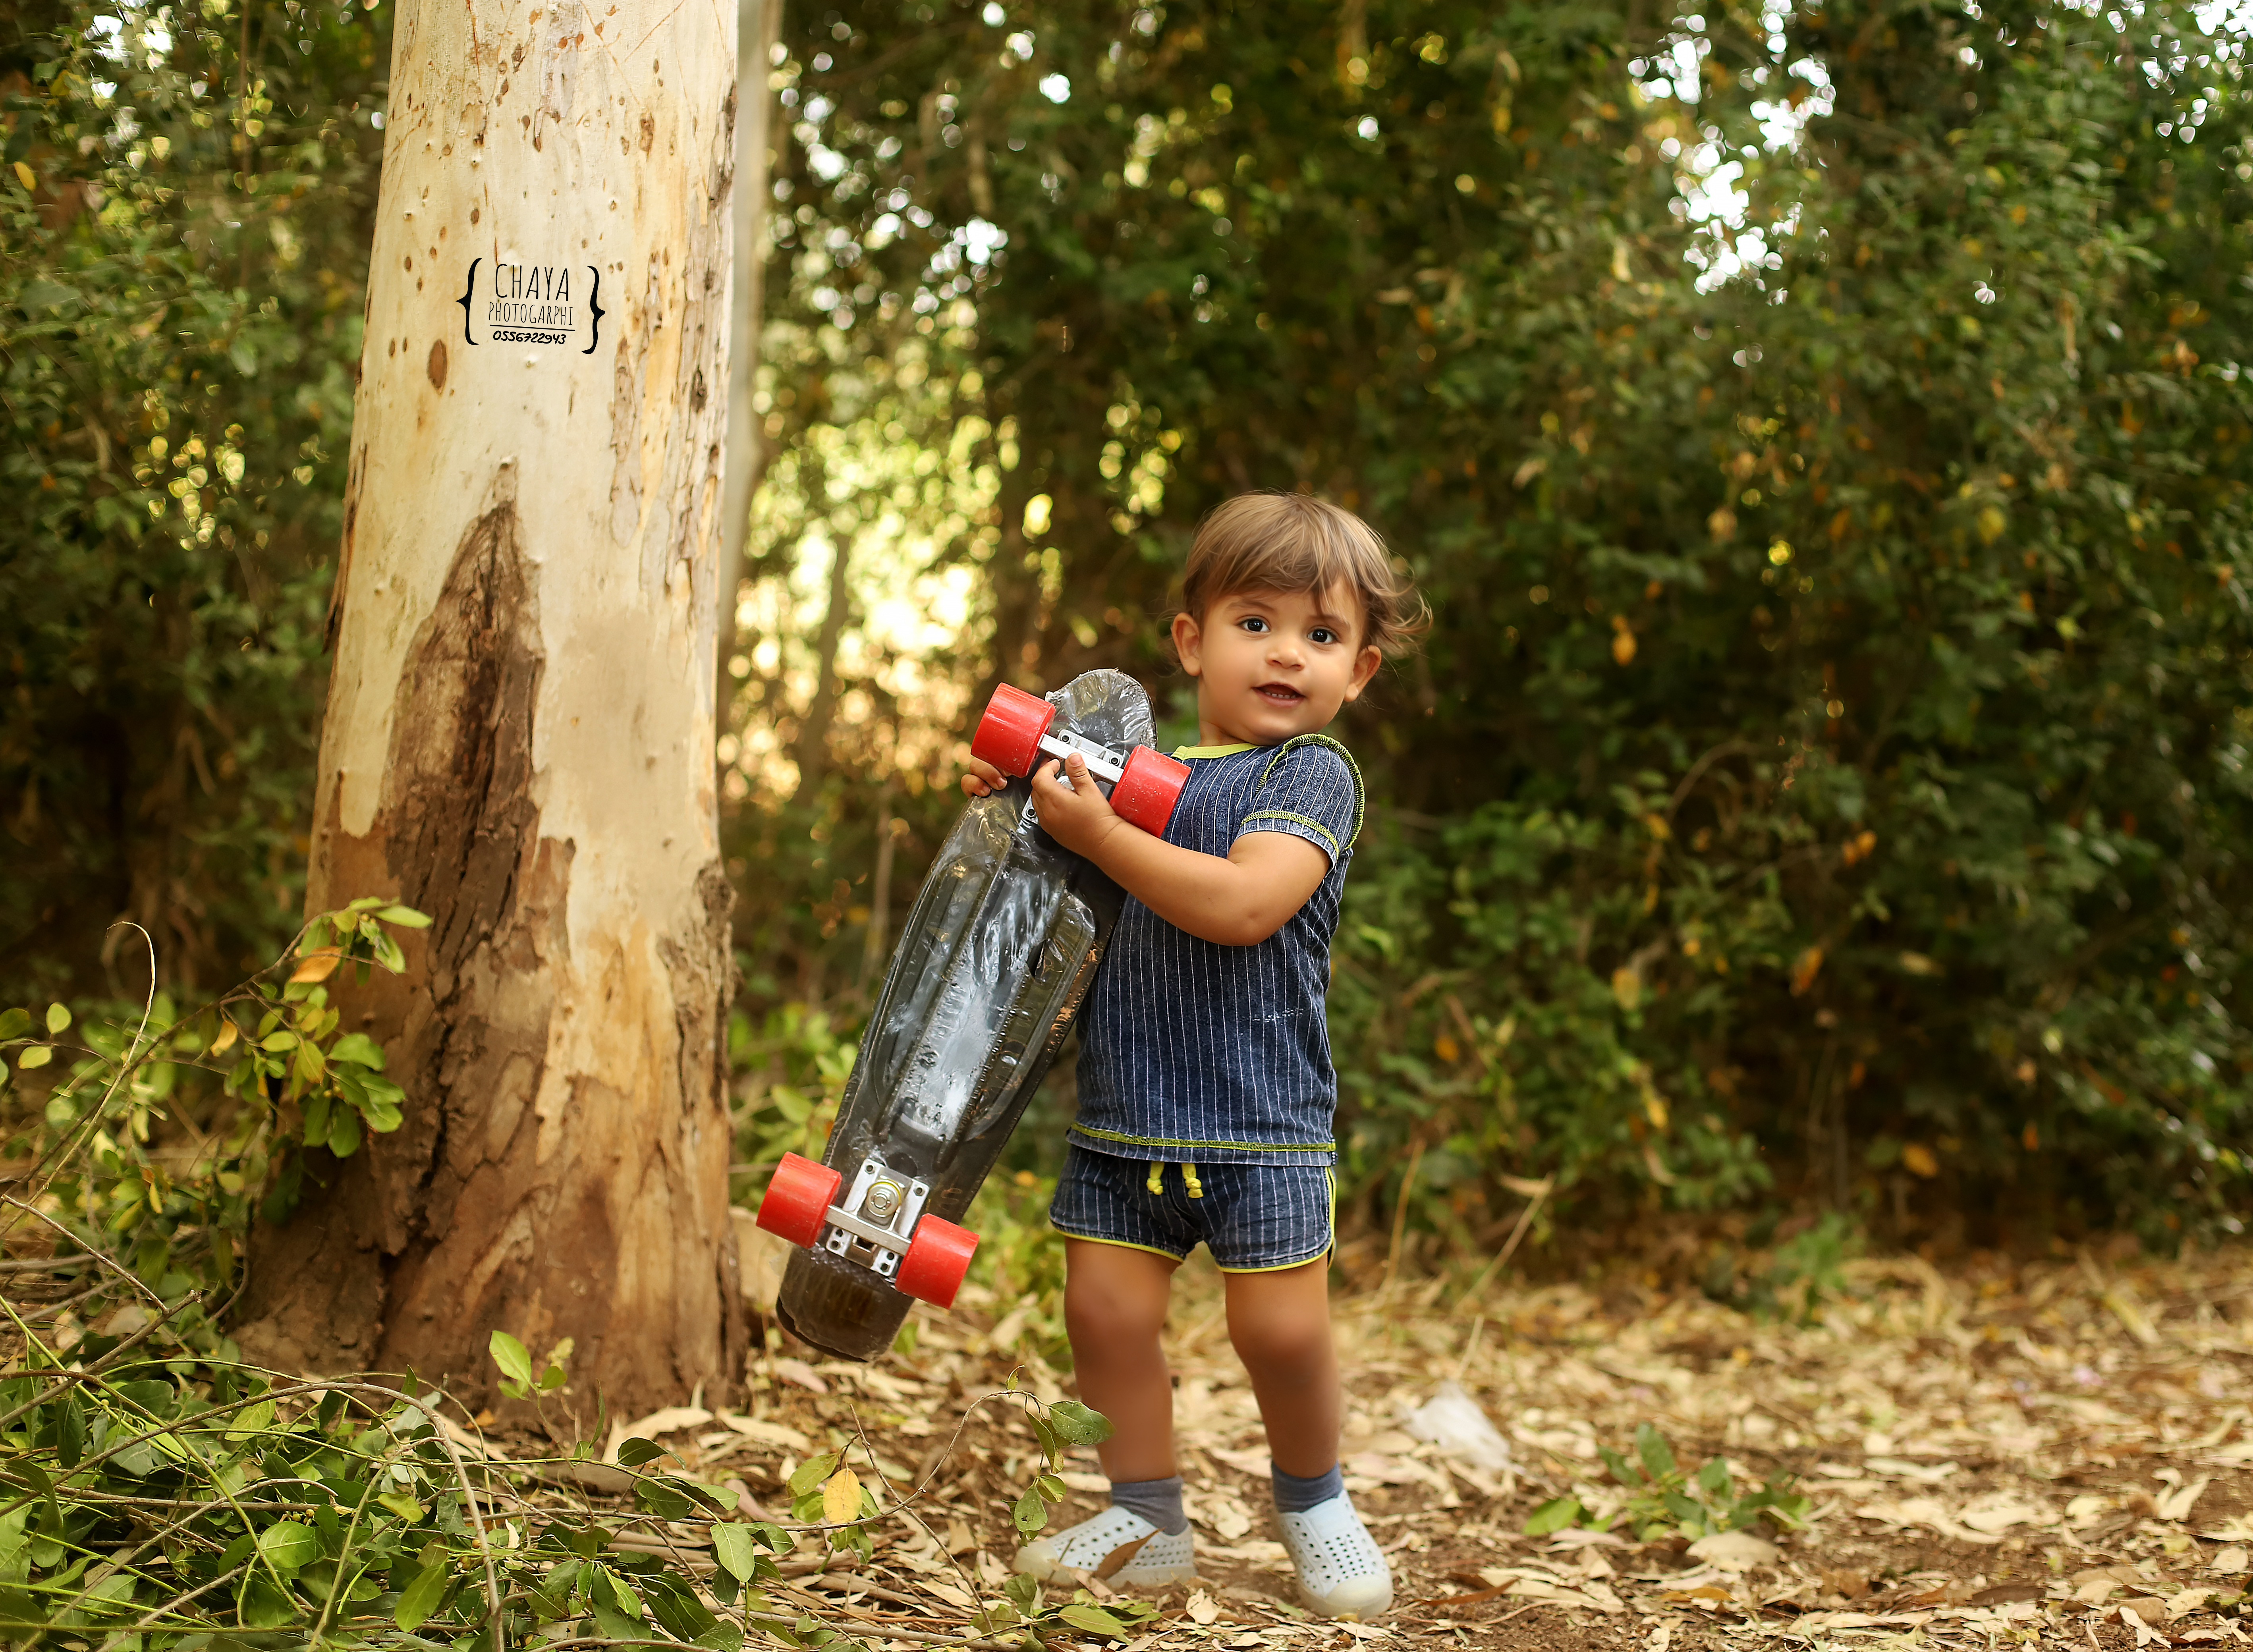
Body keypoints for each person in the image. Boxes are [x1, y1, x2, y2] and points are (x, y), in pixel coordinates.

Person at [959, 493, 1424, 1619]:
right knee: (1105, 1318)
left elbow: (1243, 905)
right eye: (1254, 622)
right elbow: (1051, 884)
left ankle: (1313, 1502)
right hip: (1126, 1111)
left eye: (1320, 637)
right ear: (1191, 641)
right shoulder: (1130, 770)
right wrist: (1020, 809)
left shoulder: (1307, 779)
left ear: (1357, 673)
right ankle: (1148, 1518)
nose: (1285, 654)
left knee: (1281, 1329)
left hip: (1260, 1123)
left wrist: (1100, 833)